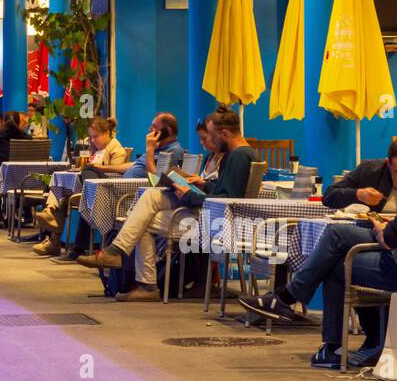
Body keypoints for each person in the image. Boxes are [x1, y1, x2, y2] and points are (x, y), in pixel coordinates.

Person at [238, 122, 397, 368]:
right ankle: (295, 304)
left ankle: (328, 342)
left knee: (337, 263)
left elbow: (391, 239)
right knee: (337, 236)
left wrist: (382, 228)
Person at [76, 108, 258, 297]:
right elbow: (225, 192)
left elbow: (227, 202)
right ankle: (122, 259)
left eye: (210, 136)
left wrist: (189, 195)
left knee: (143, 221)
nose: (206, 142)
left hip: (216, 223)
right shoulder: (238, 154)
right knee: (150, 197)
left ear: (224, 134)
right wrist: (204, 183)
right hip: (210, 215)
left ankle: (142, 280)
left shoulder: (238, 157)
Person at [34, 117, 126, 258]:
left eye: (96, 136)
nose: (93, 140)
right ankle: (50, 213)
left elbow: (115, 174)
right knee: (61, 194)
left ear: (107, 133)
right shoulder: (95, 149)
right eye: (91, 137)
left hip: (105, 191)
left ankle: (57, 242)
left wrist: (96, 168)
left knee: (73, 199)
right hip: (88, 188)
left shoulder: (116, 149)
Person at [322, 138, 397, 213]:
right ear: (388, 164)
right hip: (374, 231)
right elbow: (328, 197)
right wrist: (358, 194)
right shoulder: (369, 171)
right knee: (337, 232)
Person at [120, 113, 185, 179]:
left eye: (154, 127)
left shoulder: (174, 151)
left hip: (138, 188)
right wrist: (109, 168)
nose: (149, 129)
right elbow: (137, 164)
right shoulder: (157, 147)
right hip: (122, 184)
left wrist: (150, 149)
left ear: (168, 131)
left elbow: (158, 181)